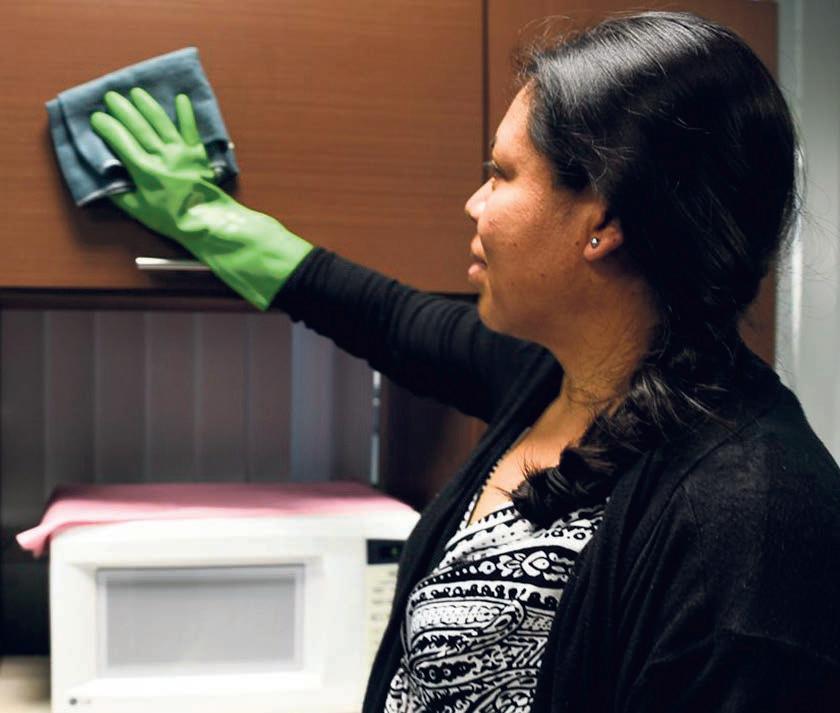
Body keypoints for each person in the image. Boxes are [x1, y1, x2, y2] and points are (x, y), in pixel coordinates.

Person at [89, 10, 840, 712]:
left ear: (604, 219)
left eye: (502, 173)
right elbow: (382, 316)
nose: (475, 203)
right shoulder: (555, 377)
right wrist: (204, 217)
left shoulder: (759, 515)